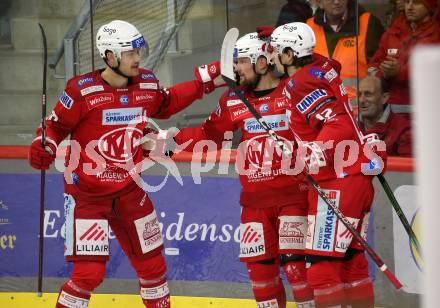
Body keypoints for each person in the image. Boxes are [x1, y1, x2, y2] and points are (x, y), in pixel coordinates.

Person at [28, 20, 221, 308]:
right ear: (110, 56)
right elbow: (54, 127)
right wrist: (43, 144)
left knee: (154, 269)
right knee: (88, 275)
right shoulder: (81, 90)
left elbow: (167, 103)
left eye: (138, 51)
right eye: (130, 53)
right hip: (87, 197)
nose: (137, 58)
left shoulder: (146, 83)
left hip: (130, 191)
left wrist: (205, 83)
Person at [173, 32, 315, 308]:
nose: (235, 68)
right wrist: (173, 137)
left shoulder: (294, 89)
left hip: (294, 199)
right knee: (261, 279)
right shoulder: (233, 99)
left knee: (297, 271)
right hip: (253, 204)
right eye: (234, 62)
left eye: (240, 62)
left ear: (263, 62)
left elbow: (326, 72)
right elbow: (208, 134)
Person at [270, 22, 386, 307]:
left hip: (337, 181)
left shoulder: (300, 84)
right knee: (351, 264)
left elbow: (339, 123)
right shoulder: (318, 68)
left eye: (275, 51)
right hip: (356, 177)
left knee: (321, 269)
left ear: (289, 54)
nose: (271, 57)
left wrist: (312, 154)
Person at [368, 0, 440, 115]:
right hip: (391, 112)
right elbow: (373, 65)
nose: (409, 7)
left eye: (416, 2)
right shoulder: (393, 32)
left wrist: (399, 72)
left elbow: (433, 73)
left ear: (429, 6)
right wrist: (384, 74)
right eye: (407, 2)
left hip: (426, 113)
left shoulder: (436, 35)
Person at [306, 0, 384, 102]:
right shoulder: (309, 27)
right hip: (322, 109)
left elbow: (379, 66)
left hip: (359, 110)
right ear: (319, 2)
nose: (337, 2)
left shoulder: (368, 23)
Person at [358, 76, 412, 156]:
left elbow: (407, 167)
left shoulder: (403, 130)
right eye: (359, 94)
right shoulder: (348, 126)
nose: (361, 100)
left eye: (368, 94)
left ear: (384, 98)